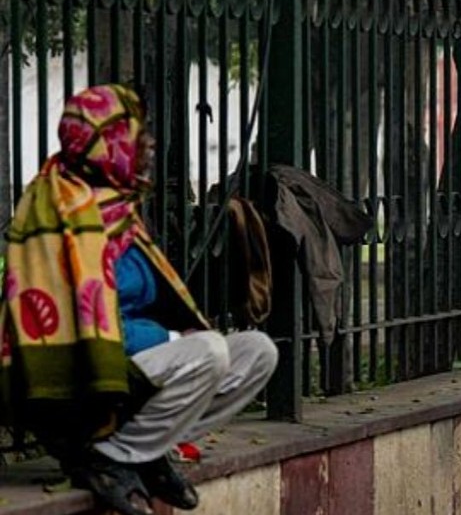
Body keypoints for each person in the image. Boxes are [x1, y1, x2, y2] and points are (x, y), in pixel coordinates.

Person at [0, 85, 279, 515]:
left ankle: (141, 452)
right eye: (135, 132)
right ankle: (107, 458)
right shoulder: (57, 211)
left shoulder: (119, 208)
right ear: (101, 140)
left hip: (137, 364)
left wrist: (174, 336)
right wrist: (170, 338)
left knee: (257, 352)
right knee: (208, 351)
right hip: (87, 376)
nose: (146, 143)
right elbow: (78, 327)